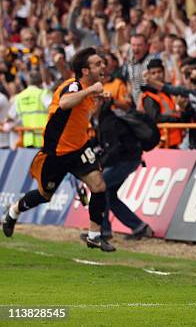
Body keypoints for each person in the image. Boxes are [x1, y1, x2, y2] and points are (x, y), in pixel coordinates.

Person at [2, 47, 115, 252]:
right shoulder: (73, 85)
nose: (103, 66)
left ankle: (94, 235)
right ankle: (13, 212)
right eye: (98, 64)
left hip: (79, 148)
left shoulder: (87, 91)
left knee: (98, 186)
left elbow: (82, 115)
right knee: (45, 195)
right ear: (85, 70)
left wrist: (97, 99)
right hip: (56, 152)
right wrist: (91, 91)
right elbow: (64, 103)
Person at [94, 101, 152, 241]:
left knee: (99, 187)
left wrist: (99, 164)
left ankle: (103, 231)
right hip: (129, 159)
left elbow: (113, 152)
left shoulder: (109, 123)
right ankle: (140, 227)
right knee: (110, 196)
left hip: (126, 160)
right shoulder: (103, 120)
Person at [139, 58, 185, 149]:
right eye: (153, 73)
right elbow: (155, 118)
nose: (157, 75)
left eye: (159, 72)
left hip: (175, 139)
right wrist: (176, 118)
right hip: (162, 142)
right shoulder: (149, 96)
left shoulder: (167, 91)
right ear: (149, 75)